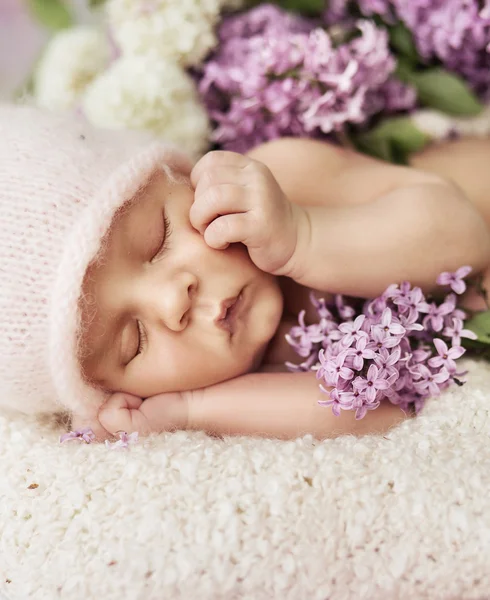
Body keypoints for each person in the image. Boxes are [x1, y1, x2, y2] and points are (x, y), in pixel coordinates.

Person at [1, 104, 489, 443]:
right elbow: (379, 410)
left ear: (184, 177)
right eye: (132, 342)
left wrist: (306, 234)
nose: (173, 301)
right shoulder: (218, 382)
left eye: (159, 239)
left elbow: (463, 232)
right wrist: (191, 410)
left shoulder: (287, 176)